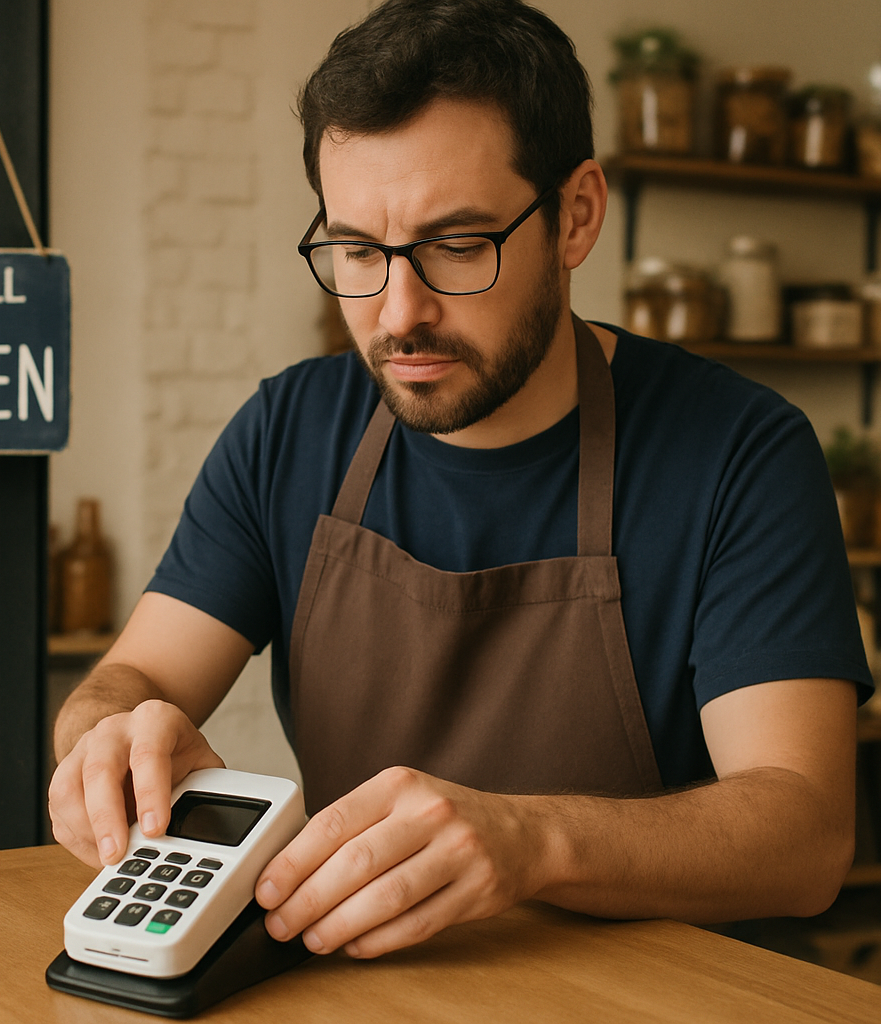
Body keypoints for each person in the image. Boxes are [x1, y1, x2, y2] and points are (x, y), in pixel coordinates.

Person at [50, 0, 873, 961]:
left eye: (456, 246)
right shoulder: (288, 430)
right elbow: (133, 676)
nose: (401, 313)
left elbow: (805, 833)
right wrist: (112, 733)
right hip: (384, 990)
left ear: (577, 216)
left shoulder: (741, 453)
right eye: (358, 250)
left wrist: (531, 842)